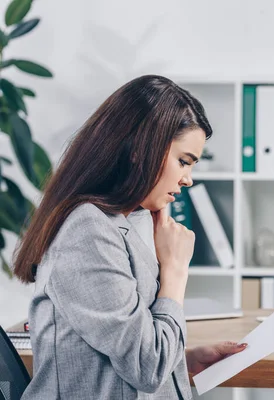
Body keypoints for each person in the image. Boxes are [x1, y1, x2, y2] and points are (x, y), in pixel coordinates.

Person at [13, 75, 246, 399]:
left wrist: (183, 360)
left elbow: (126, 350)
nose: (188, 179)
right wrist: (175, 271)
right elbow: (147, 367)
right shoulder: (87, 232)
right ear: (141, 148)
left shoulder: (113, 224)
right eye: (183, 161)